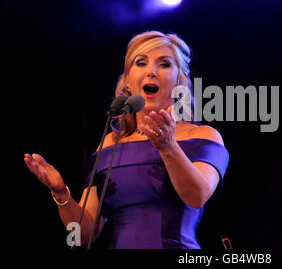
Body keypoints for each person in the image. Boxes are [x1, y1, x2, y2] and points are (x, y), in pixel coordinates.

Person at [23, 31, 230, 249]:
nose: (151, 71)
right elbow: (83, 236)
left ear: (179, 81)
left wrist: (167, 146)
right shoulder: (110, 145)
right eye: (141, 63)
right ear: (128, 81)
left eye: (164, 64)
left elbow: (196, 196)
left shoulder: (202, 137)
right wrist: (61, 192)